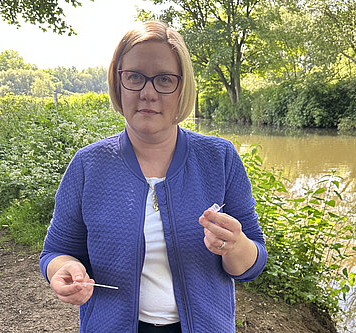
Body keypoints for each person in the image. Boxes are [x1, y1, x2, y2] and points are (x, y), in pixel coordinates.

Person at [39, 21, 267, 333]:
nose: (148, 93)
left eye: (163, 79)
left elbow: (251, 264)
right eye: (134, 77)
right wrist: (65, 269)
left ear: (182, 87)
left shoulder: (219, 158)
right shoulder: (88, 165)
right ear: (119, 82)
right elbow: (55, 251)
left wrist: (234, 245)